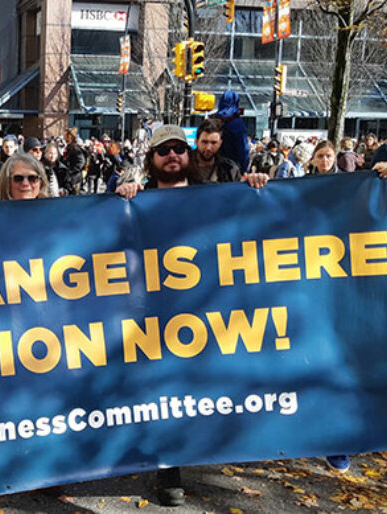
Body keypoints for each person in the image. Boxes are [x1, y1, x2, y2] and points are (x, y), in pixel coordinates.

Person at [114, 124, 268, 507]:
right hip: (155, 316)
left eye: (178, 149)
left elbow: (257, 225)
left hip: (209, 310)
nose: (172, 155)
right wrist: (122, 198)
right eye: (163, 150)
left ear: (190, 156)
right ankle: (170, 467)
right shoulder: (134, 202)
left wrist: (258, 185)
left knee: (210, 385)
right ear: (150, 160)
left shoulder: (217, 197)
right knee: (166, 390)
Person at [189, 118, 241, 184]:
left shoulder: (230, 169)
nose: (208, 148)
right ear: (196, 142)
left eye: (213, 143)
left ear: (220, 144)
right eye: (204, 142)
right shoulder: (183, 166)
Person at [212, 91, 250, 174]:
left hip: (215, 167)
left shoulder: (216, 121)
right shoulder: (238, 124)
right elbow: (243, 151)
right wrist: (244, 171)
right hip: (233, 169)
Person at [62, 128, 86, 195]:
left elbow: (81, 161)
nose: (63, 137)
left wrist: (71, 171)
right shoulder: (69, 146)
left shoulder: (74, 147)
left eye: (64, 135)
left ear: (69, 136)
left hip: (74, 179)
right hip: (71, 178)